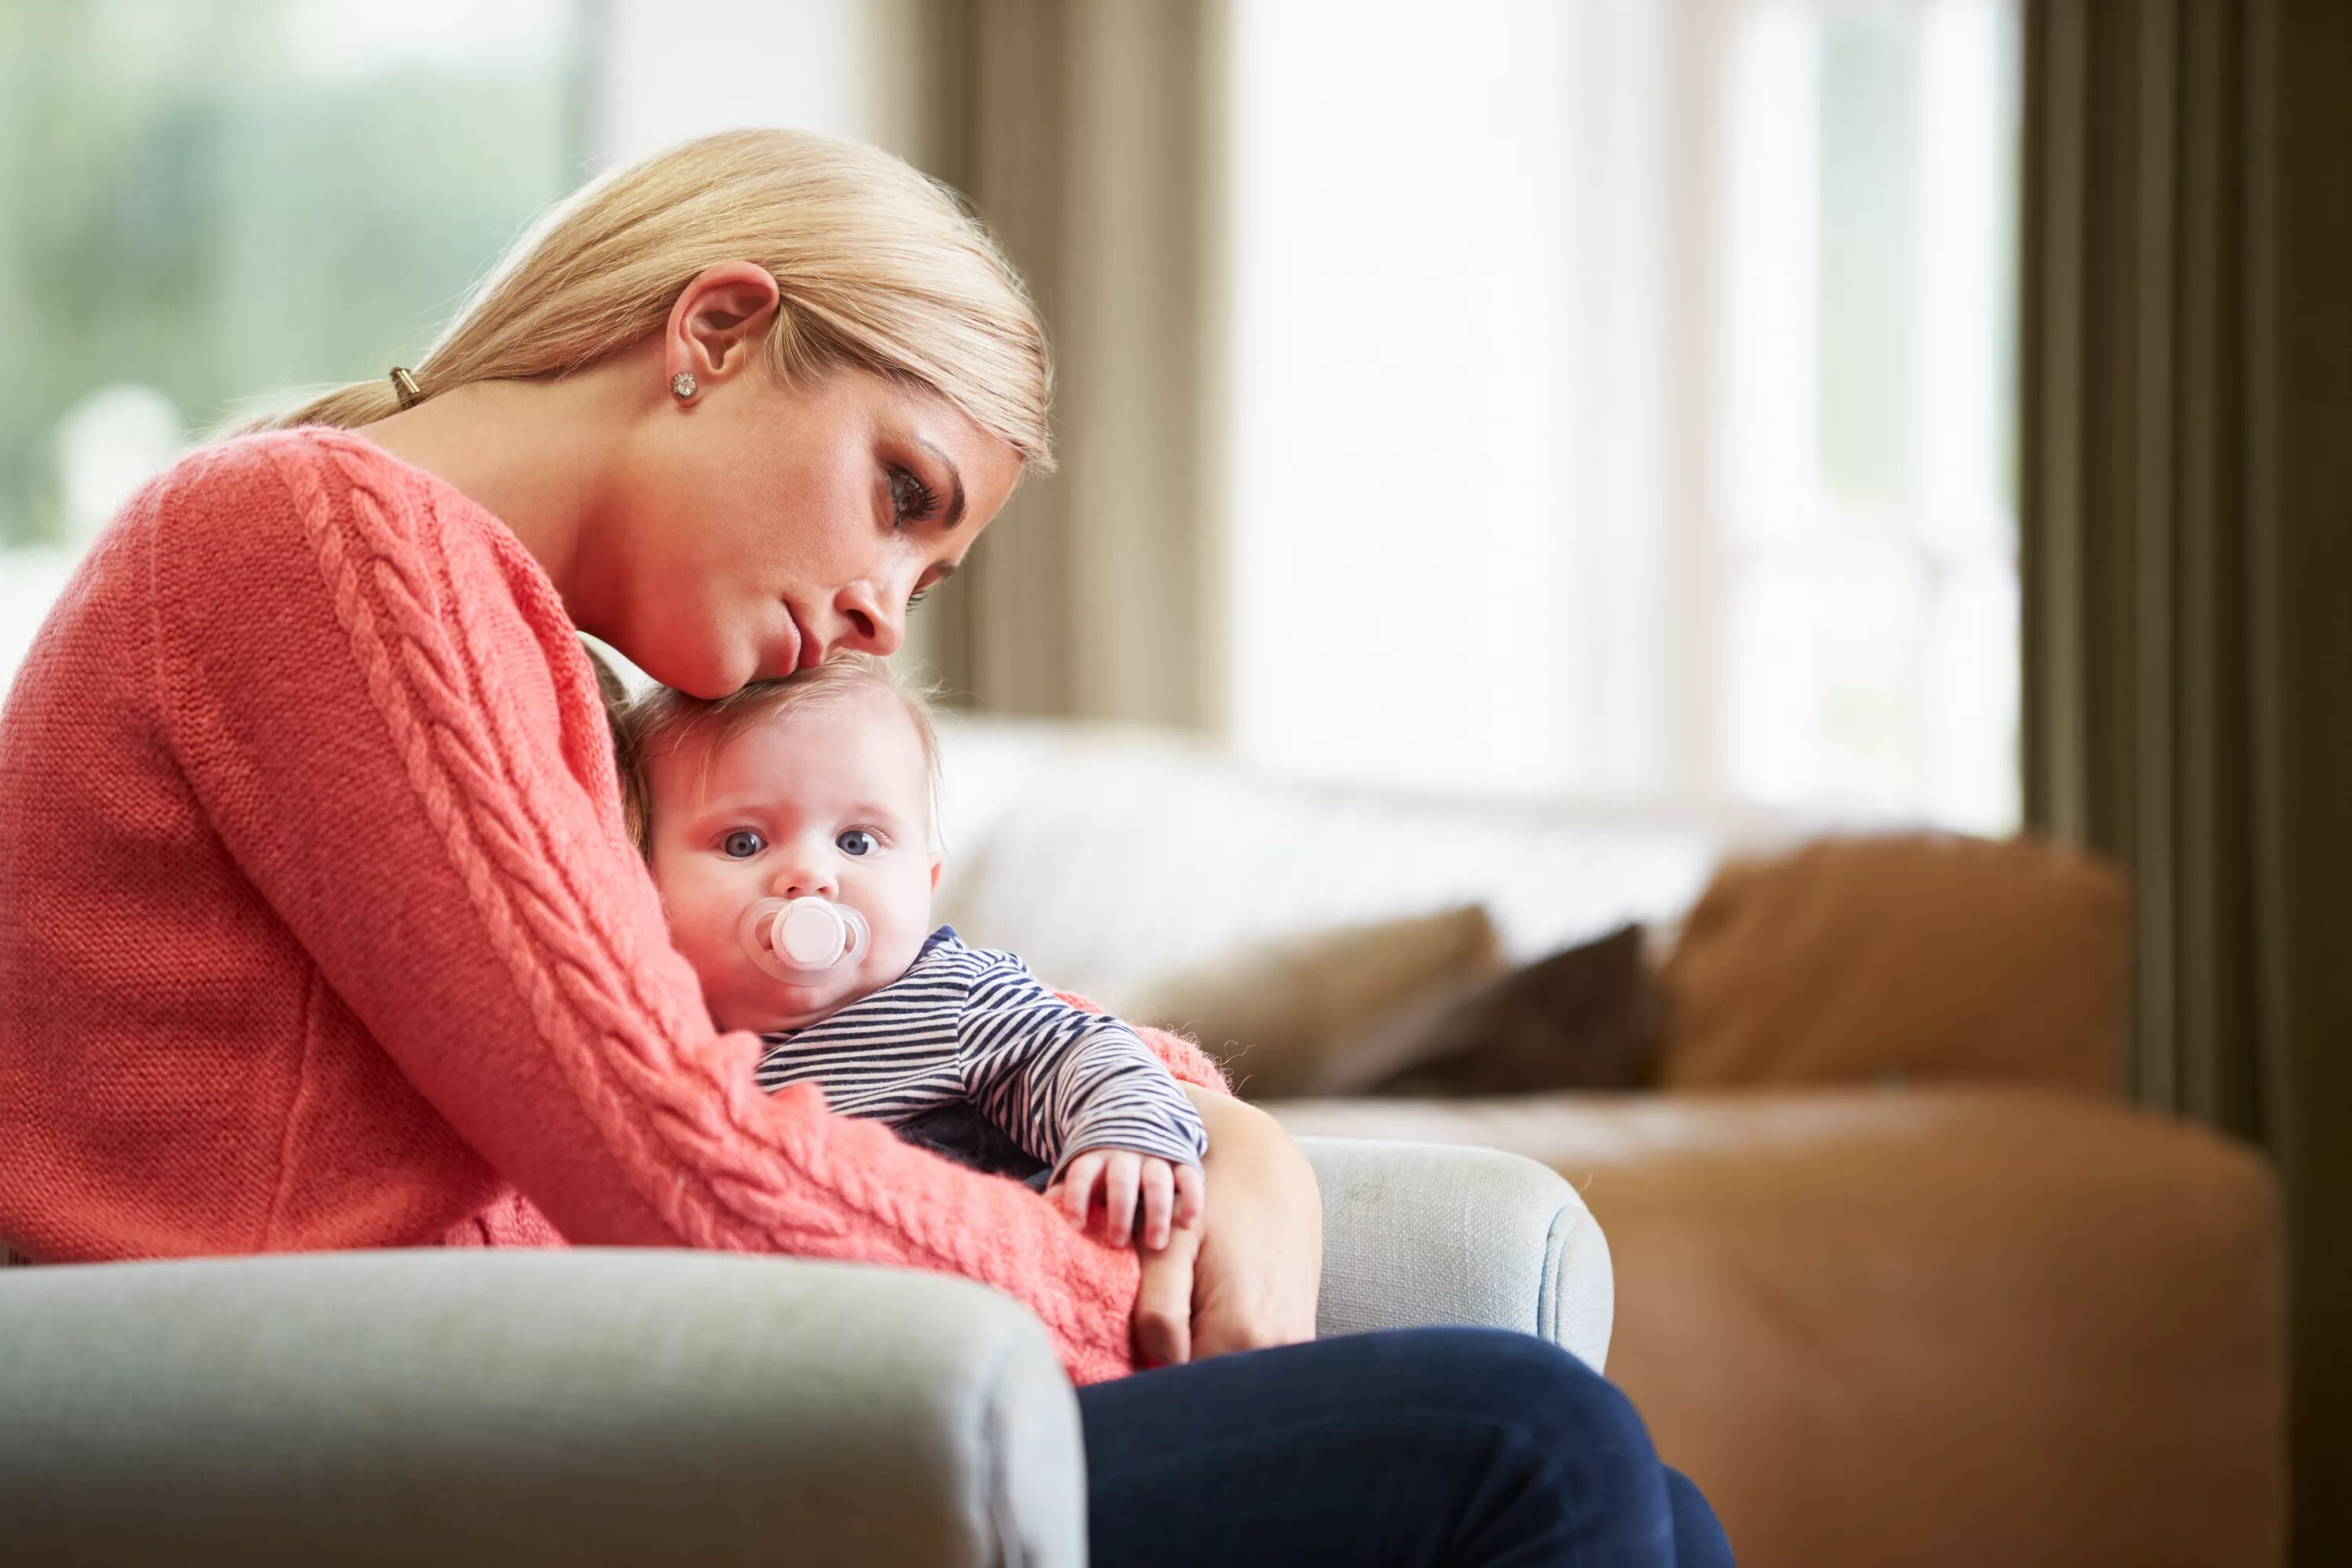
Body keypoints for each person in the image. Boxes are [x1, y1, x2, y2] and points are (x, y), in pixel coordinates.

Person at [0, 127, 1732, 1564]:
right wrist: (1122, 1273)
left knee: (1651, 1500)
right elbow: (676, 1155)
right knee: (1532, 1444)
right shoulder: (314, 539)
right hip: (380, 1465)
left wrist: (1198, 1120)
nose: (878, 613)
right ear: (720, 331)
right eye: (902, 492)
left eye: (930, 570)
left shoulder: (525, 660)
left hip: (563, 1418)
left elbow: (852, 1012)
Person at [618, 655, 1207, 1252]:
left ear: (924, 885)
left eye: (857, 841)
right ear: (645, 878)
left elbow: (1083, 1049)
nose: (810, 875)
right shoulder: (659, 1037)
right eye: (744, 842)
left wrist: (1123, 1136)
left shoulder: (953, 998)